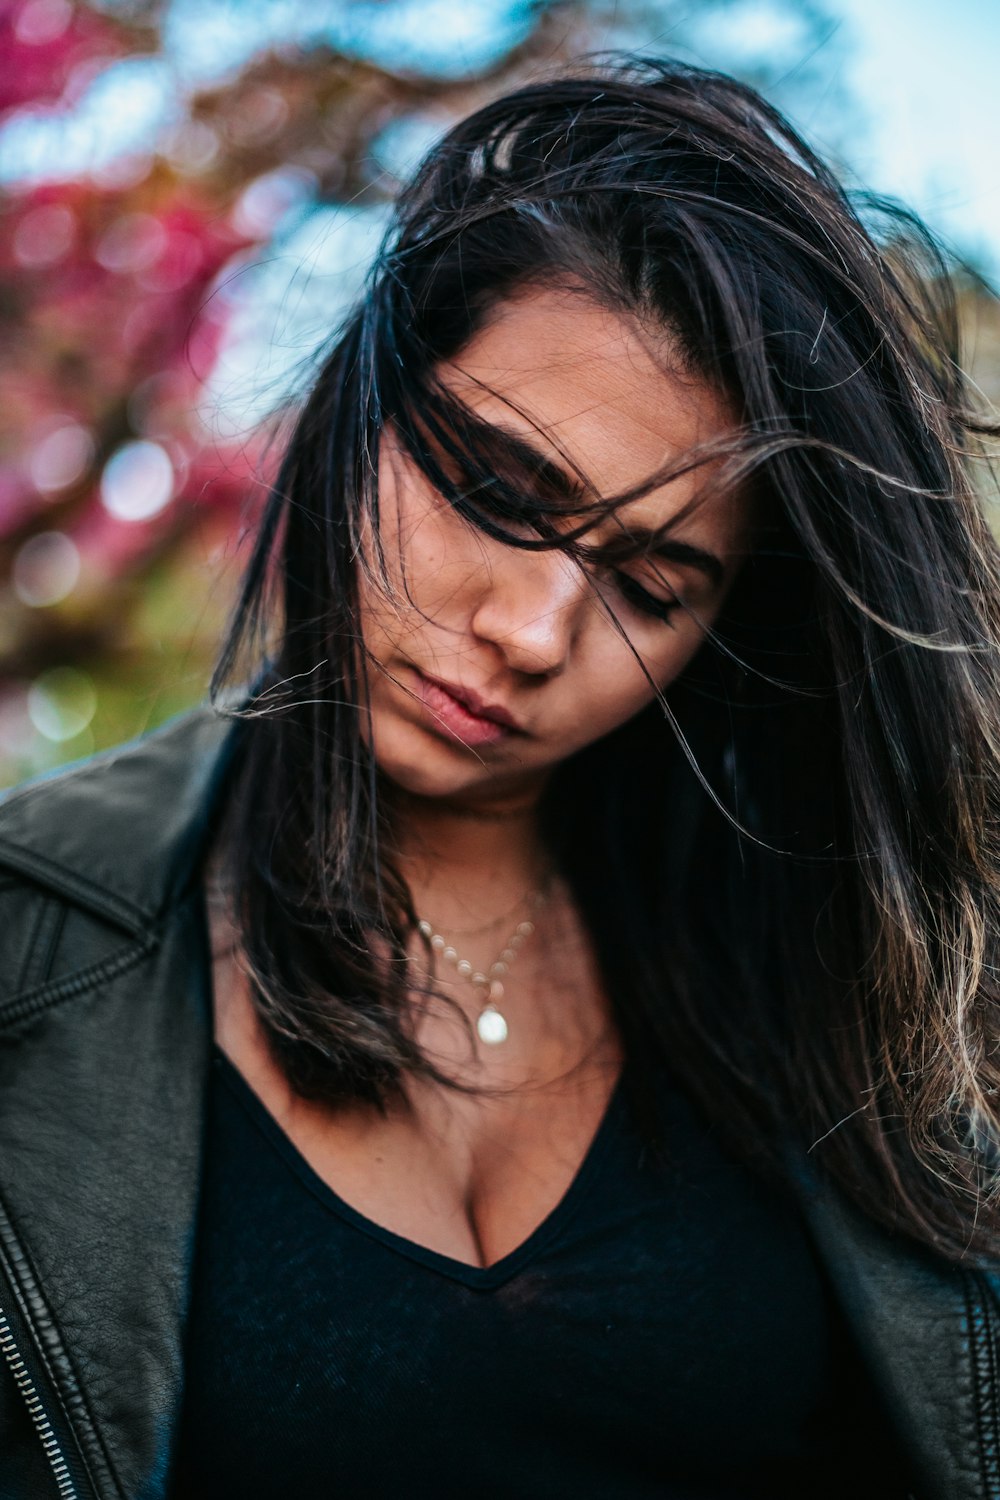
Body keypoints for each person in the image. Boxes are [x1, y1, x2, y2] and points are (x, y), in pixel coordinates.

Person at [1, 55, 999, 1500]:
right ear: (366, 395)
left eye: (651, 585)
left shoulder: (851, 978)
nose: (530, 634)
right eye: (493, 490)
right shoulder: (35, 940)